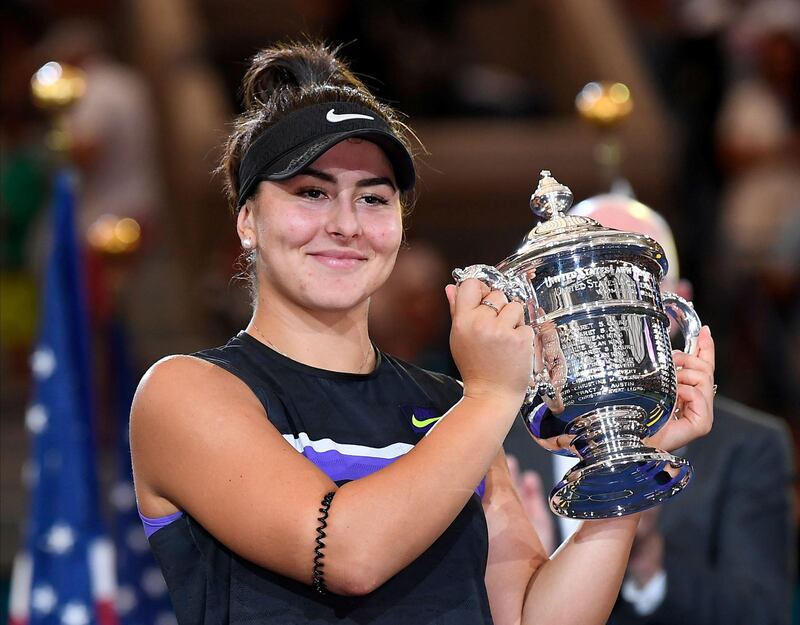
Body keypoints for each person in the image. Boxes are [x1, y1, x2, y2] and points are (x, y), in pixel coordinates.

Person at [129, 42, 716, 625]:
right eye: (311, 192)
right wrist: (490, 394)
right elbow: (348, 554)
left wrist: (630, 461)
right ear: (248, 221)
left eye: (373, 198)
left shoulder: (450, 410)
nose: (345, 224)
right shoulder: (186, 393)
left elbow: (533, 618)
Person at [504, 194, 795, 625]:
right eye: (578, 289)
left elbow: (762, 614)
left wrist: (647, 561)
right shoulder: (503, 442)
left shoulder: (748, 445)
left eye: (629, 286)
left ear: (677, 304)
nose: (602, 316)